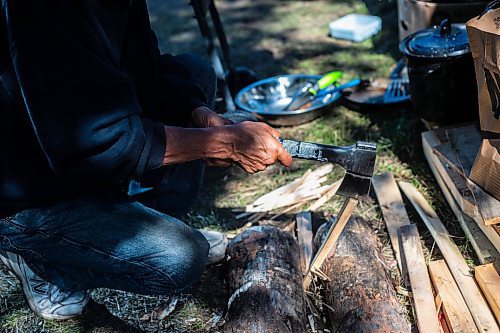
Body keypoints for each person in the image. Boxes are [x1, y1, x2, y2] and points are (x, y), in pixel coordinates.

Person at [0, 0, 292, 321]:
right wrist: (222, 145)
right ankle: (41, 262)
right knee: (180, 259)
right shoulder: (45, 11)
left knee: (195, 73)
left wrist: (199, 113)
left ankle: (154, 222)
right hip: (29, 191)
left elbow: (149, 66)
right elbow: (100, 144)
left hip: (78, 160)